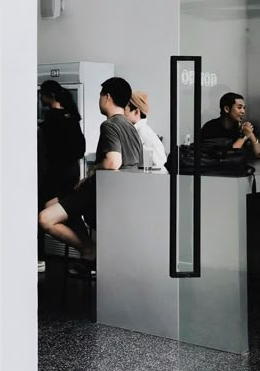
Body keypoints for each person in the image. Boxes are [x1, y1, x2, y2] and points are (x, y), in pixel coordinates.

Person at [38, 76, 142, 272]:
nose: (99, 100)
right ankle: (88, 249)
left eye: (100, 95)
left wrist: (93, 170)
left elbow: (113, 162)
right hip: (118, 196)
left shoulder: (109, 125)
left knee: (45, 219)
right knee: (52, 203)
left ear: (107, 97)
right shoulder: (130, 126)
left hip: (98, 193)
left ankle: (88, 249)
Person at [37, 80, 86, 272]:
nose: (41, 98)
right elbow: (79, 148)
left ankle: (87, 249)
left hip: (55, 174)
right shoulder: (72, 116)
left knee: (47, 215)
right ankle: (89, 250)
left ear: (51, 96)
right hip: (72, 172)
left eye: (42, 94)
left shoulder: (51, 118)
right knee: (70, 212)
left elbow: (47, 150)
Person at [200, 91, 260, 160]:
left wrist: (251, 135)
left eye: (244, 108)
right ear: (227, 109)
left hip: (242, 168)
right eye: (239, 107)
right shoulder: (210, 128)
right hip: (217, 169)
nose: (243, 111)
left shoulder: (245, 127)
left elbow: (259, 154)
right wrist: (244, 136)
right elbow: (227, 156)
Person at [125, 90, 167, 169]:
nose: (122, 114)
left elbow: (157, 163)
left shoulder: (142, 132)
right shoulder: (142, 130)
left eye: (125, 110)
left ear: (136, 112)